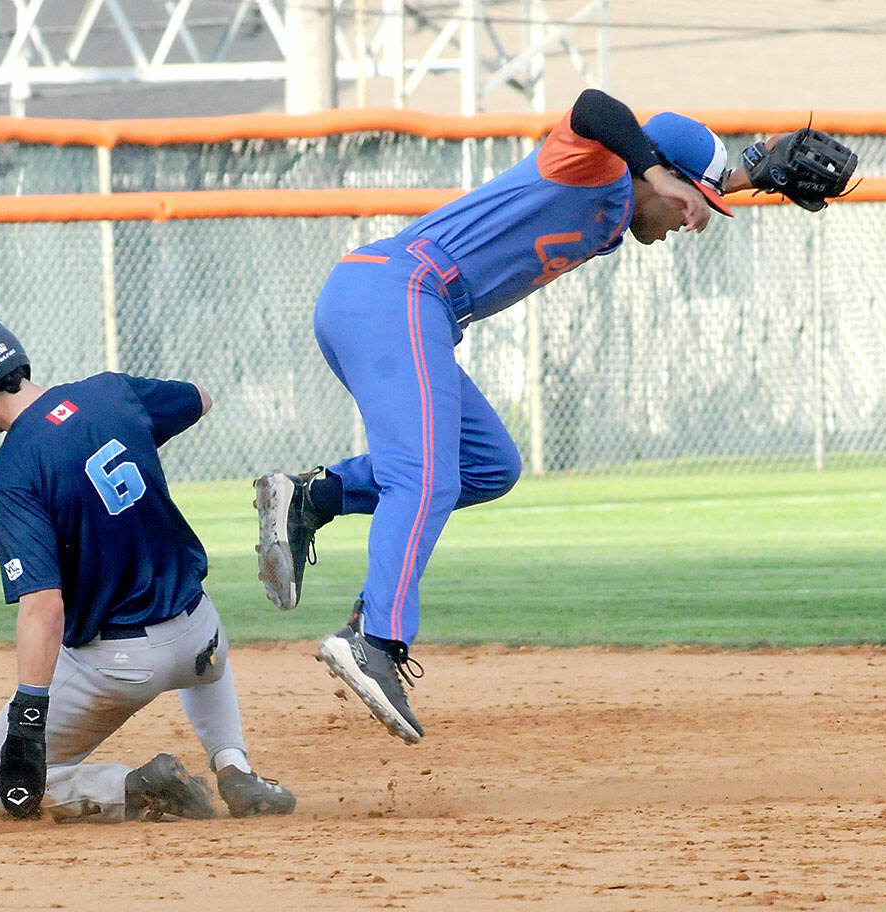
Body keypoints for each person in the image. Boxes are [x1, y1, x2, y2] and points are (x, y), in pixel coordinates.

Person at [253, 89, 801, 745]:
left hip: (407, 308)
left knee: (489, 467)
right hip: (396, 291)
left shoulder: (615, 211)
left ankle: (311, 498)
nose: (693, 222)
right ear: (654, 173)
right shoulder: (592, 165)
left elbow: (675, 163)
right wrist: (659, 168)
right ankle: (374, 637)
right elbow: (596, 105)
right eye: (694, 204)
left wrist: (744, 174)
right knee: (424, 477)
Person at [0, 313, 294, 822]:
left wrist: (29, 717)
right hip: (202, 639)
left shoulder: (9, 476)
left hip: (120, 668)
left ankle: (137, 786)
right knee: (198, 638)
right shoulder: (110, 392)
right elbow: (200, 397)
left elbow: (43, 607)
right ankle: (235, 767)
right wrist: (130, 432)